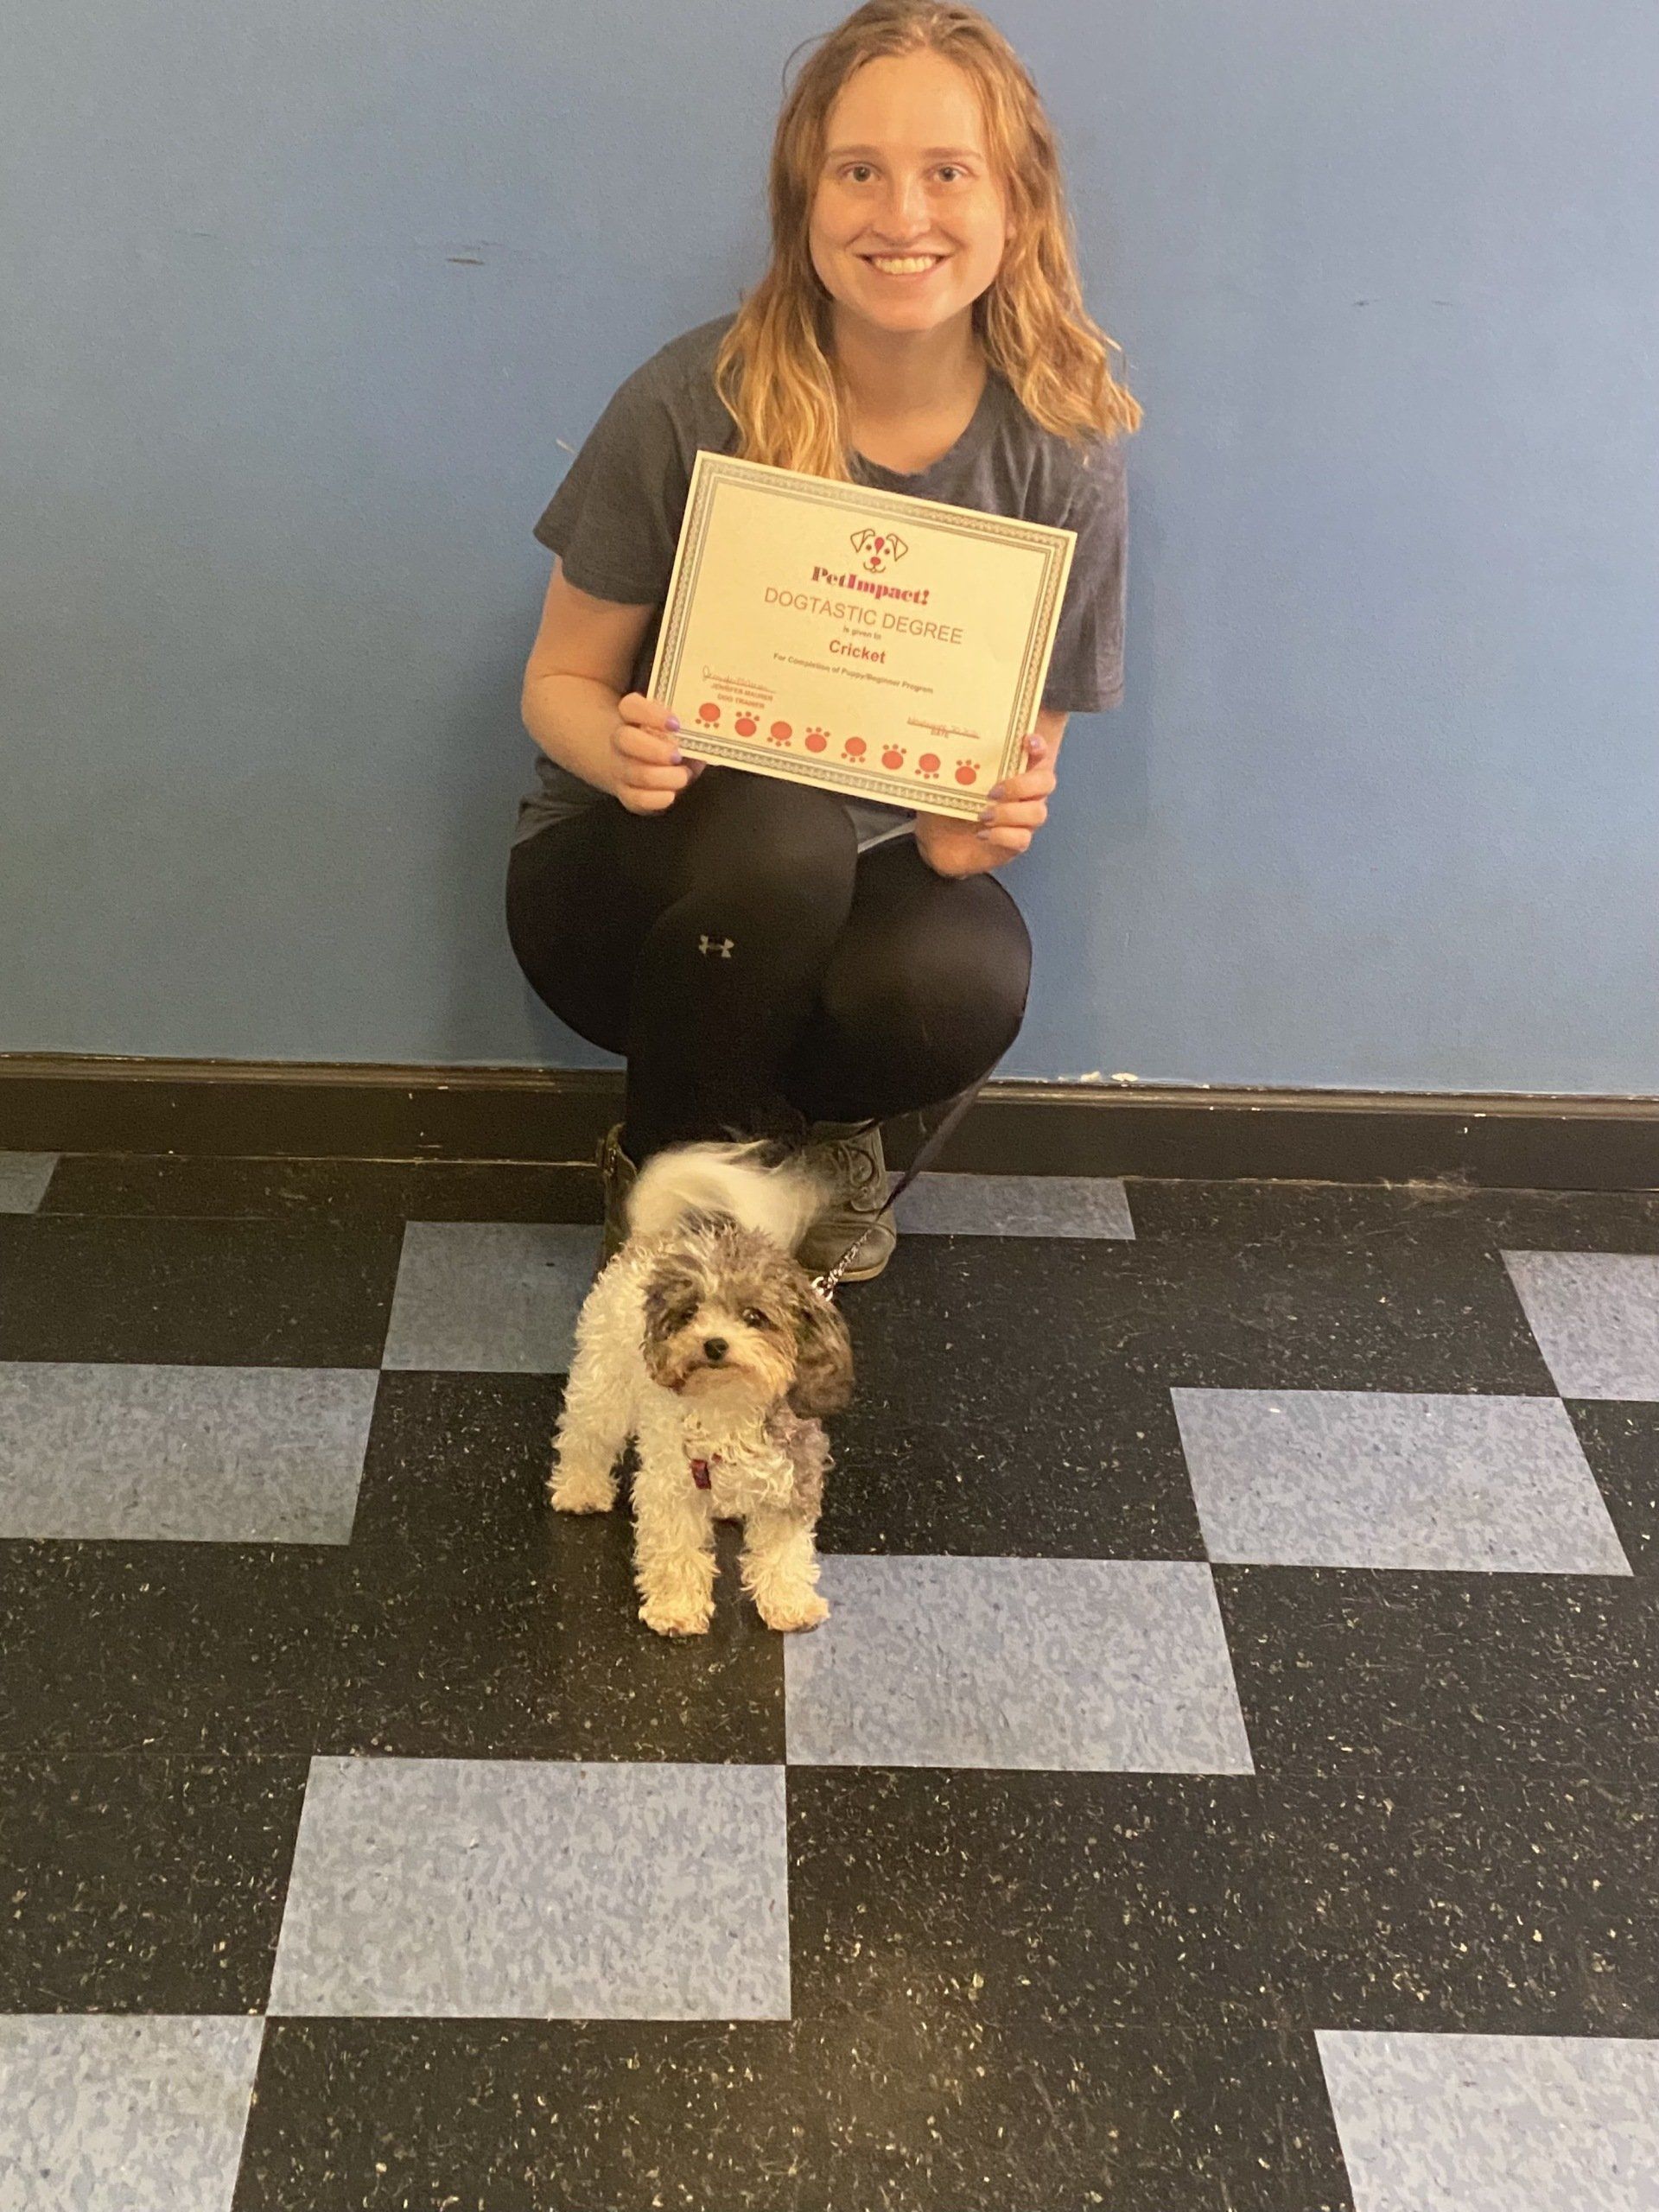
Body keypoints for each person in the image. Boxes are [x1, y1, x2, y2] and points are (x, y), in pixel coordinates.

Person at [505, 0, 1141, 1276]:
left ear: (1017, 206)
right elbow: (558, 682)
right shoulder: (697, 396)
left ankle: (802, 1137)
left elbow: (1010, 768)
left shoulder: (1063, 453)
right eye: (859, 172)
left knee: (963, 973)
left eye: (947, 172)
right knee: (783, 831)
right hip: (638, 882)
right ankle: (679, 1192)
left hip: (865, 883)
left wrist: (984, 824)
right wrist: (615, 746)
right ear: (805, 201)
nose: (901, 216)